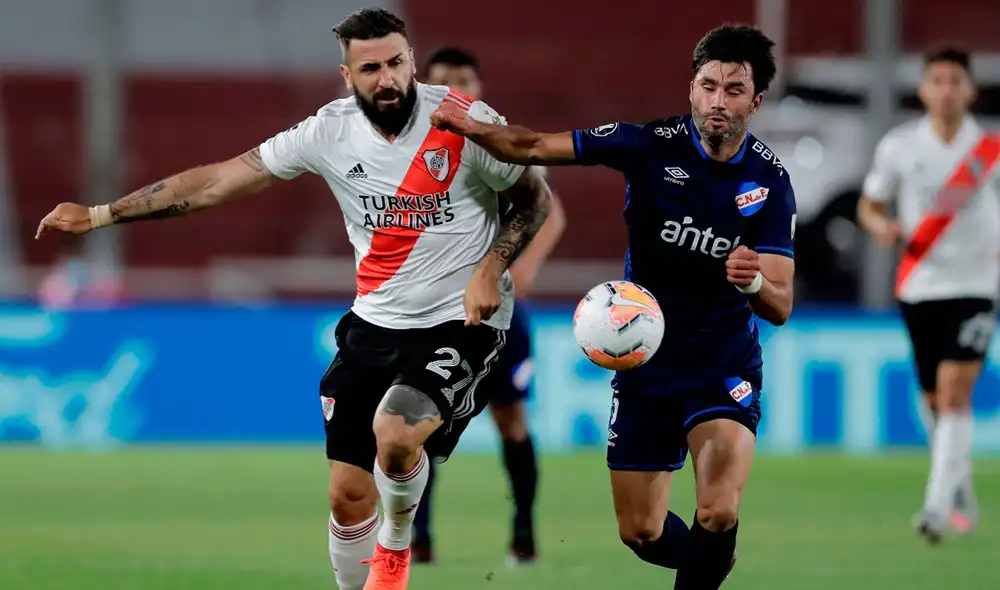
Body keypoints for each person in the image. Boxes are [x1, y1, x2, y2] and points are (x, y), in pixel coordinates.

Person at [35, 8, 552, 590]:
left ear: (412, 59)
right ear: (347, 75)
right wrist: (103, 214)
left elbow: (534, 199)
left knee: (398, 431)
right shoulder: (326, 132)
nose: (388, 79)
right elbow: (219, 181)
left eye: (397, 63)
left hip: (460, 320)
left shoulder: (463, 121)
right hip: (375, 322)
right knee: (347, 494)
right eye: (372, 68)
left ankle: (398, 548)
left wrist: (492, 266)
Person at [432, 24, 794, 589]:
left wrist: (753, 286)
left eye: (733, 90)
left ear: (756, 101)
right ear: (692, 88)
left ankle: (713, 545)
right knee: (641, 532)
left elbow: (781, 304)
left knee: (718, 509)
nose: (718, 101)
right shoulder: (647, 145)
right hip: (645, 362)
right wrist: (469, 126)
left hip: (722, 362)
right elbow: (532, 147)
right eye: (708, 86)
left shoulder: (771, 182)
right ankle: (712, 556)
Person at [412, 46, 567, 566]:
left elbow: (550, 210)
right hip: (438, 311)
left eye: (463, 80)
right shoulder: (418, 150)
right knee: (422, 424)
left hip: (501, 314)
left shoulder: (500, 143)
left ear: (479, 87)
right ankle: (420, 538)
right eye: (441, 81)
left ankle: (524, 530)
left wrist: (521, 269)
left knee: (510, 421)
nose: (454, 89)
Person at [857, 47, 998, 544]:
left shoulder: (991, 151)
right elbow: (869, 205)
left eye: (955, 80)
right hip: (920, 286)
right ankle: (959, 483)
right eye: (937, 79)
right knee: (936, 399)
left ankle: (936, 508)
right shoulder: (899, 146)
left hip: (977, 287)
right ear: (923, 89)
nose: (946, 89)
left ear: (970, 89)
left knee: (957, 389)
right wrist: (882, 227)